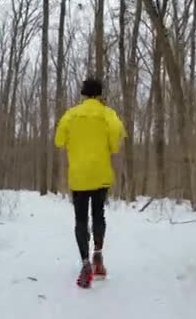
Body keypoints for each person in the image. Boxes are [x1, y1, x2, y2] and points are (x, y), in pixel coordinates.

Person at [54, 77, 127, 288]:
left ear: (83, 94)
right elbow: (115, 145)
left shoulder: (70, 115)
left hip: (78, 176)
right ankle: (98, 257)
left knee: (80, 219)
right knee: (98, 214)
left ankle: (85, 262)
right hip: (100, 174)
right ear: (100, 94)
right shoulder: (108, 115)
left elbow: (59, 141)